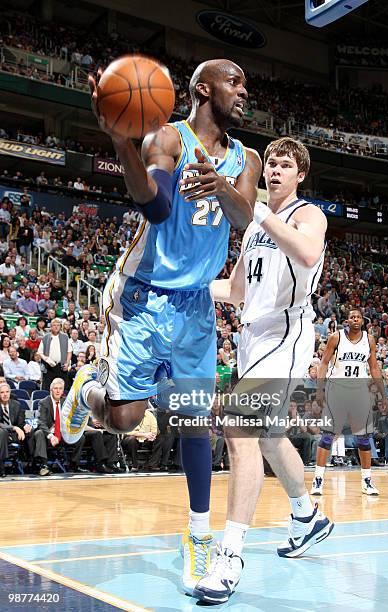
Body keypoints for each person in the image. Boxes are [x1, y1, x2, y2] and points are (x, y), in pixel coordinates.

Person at [60, 58, 262, 595]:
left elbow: (244, 219)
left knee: (198, 422)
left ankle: (198, 535)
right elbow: (156, 205)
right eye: (235, 81)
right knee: (125, 419)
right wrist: (120, 141)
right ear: (203, 88)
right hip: (144, 296)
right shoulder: (167, 139)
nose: (244, 91)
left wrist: (220, 185)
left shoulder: (249, 158)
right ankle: (89, 392)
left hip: (195, 304)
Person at [194, 137, 332, 603]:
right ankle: (307, 515)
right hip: (253, 339)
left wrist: (259, 212)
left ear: (299, 176)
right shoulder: (254, 229)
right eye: (270, 162)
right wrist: (184, 284)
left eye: (284, 164)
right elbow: (236, 291)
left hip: (287, 334)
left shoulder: (306, 214)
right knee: (269, 438)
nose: (273, 169)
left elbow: (309, 254)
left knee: (237, 427)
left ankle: (230, 554)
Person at [310, 308, 388, 497]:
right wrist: (319, 389)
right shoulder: (336, 338)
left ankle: (367, 481)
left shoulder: (369, 340)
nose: (355, 319)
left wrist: (383, 394)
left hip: (359, 392)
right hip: (336, 390)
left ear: (363, 321)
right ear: (347, 320)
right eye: (352, 316)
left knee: (363, 438)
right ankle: (318, 479)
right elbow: (323, 363)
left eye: (358, 317)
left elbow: (374, 368)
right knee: (328, 436)